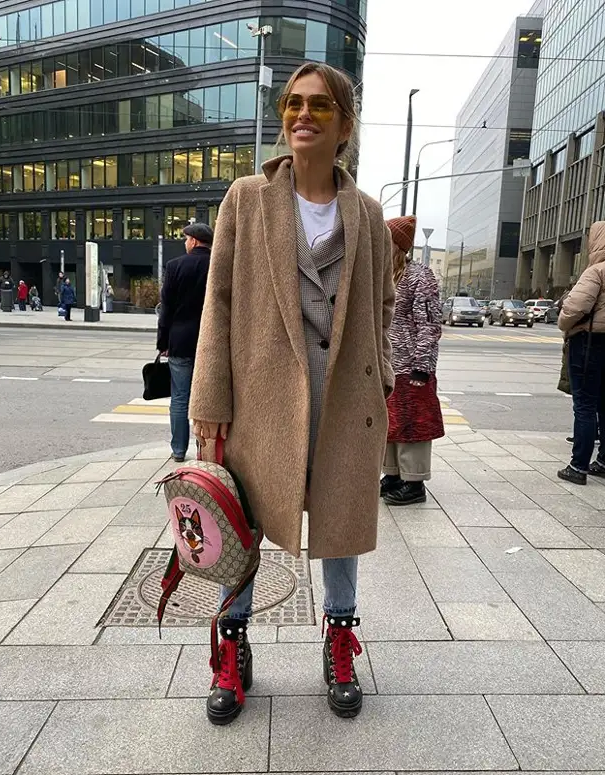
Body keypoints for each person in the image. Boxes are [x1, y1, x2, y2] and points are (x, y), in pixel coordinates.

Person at [190, 62, 395, 725]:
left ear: (344, 125)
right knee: (241, 521)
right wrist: (209, 406)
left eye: (320, 105)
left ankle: (340, 638)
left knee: (340, 524)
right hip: (262, 403)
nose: (303, 114)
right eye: (293, 103)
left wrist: (383, 379)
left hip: (346, 404)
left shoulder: (367, 214)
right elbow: (218, 306)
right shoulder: (247, 199)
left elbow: (383, 305)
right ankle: (232, 646)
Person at [380, 216, 444, 505]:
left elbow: (429, 324)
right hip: (386, 364)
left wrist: (422, 366)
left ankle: (414, 483)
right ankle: (393, 474)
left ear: (397, 244)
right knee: (390, 422)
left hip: (410, 365)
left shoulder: (419, 276)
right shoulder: (385, 274)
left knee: (413, 423)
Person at [157, 222, 214, 463]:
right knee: (210, 396)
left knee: (180, 397)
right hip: (212, 342)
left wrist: (163, 343)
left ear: (193, 241)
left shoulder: (175, 266)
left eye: (186, 239)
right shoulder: (218, 264)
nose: (184, 243)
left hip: (180, 341)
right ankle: (208, 451)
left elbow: (166, 309)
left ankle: (179, 450)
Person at [557, 220, 605, 484]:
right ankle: (603, 461)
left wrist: (564, 323)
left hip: (589, 343)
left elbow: (575, 308)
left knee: (585, 405)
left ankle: (579, 467)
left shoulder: (595, 271)